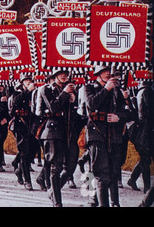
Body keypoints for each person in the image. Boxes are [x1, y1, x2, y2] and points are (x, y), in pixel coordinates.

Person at [84, 65, 132, 207]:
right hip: (97, 134)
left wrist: (119, 116)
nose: (108, 74)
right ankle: (96, 199)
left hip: (114, 136)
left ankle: (114, 203)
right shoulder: (89, 88)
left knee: (113, 172)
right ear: (97, 74)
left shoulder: (117, 90)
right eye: (104, 71)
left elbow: (130, 112)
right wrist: (106, 90)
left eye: (109, 71)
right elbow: (91, 104)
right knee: (100, 172)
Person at [37, 68, 76, 207]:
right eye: (61, 73)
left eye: (66, 73)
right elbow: (53, 107)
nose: (64, 75)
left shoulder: (70, 90)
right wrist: (65, 94)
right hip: (52, 131)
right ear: (55, 75)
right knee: (55, 167)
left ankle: (53, 190)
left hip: (67, 132)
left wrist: (73, 101)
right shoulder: (47, 89)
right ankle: (57, 202)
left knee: (71, 165)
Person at [8, 73, 37, 190]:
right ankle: (27, 180)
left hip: (32, 124)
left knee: (33, 149)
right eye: (26, 80)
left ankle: (17, 166)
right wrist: (27, 91)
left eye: (30, 80)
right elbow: (15, 102)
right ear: (22, 82)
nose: (29, 82)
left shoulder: (35, 93)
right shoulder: (18, 92)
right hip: (20, 124)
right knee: (24, 151)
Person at [127, 78, 154, 193]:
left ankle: (133, 179)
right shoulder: (147, 92)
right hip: (147, 130)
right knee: (146, 158)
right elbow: (147, 113)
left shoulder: (141, 91)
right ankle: (147, 187)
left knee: (145, 158)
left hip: (143, 130)